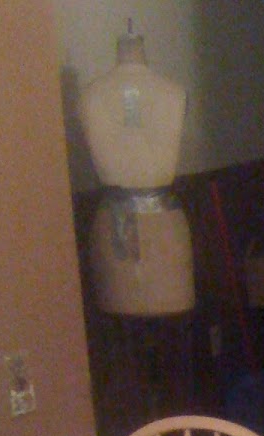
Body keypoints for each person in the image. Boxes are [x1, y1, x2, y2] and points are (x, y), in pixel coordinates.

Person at [80, 25, 194, 316]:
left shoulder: (173, 92)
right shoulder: (90, 96)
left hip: (164, 225)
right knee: (118, 320)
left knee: (174, 314)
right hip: (113, 226)